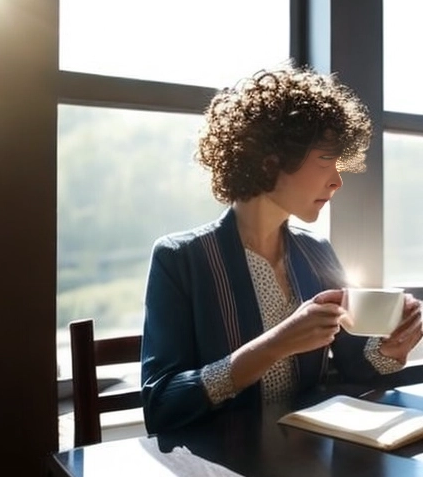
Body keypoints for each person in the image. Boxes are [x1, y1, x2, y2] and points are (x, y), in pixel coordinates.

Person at [140, 62, 423, 435]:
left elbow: (356, 366)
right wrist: (275, 344)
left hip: (305, 458)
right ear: (272, 159)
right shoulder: (180, 259)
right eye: (326, 160)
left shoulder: (317, 252)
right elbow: (160, 405)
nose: (338, 181)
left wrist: (392, 348)